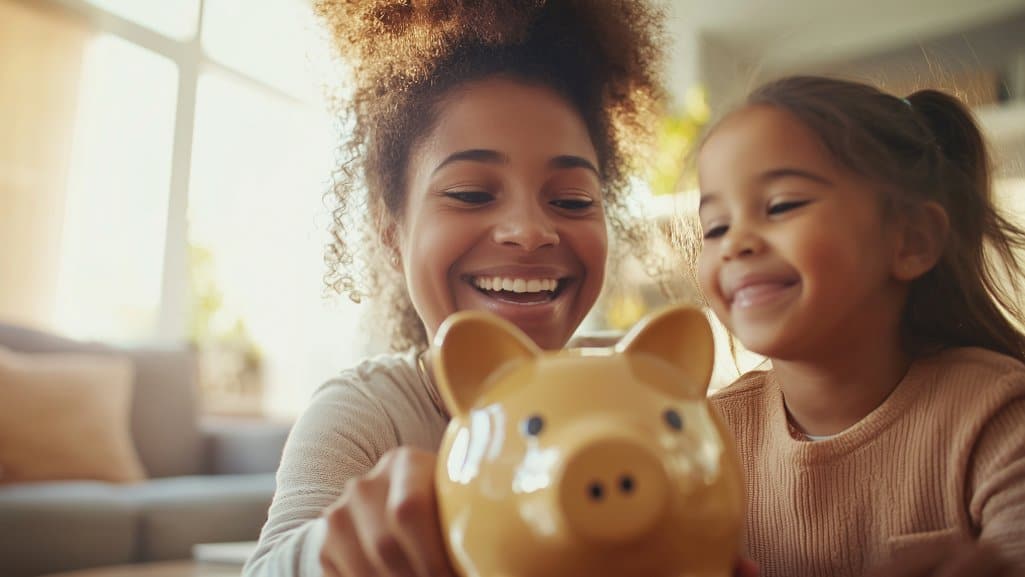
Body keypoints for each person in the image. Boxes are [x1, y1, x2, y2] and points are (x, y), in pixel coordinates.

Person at [243, 2, 670, 576]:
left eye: (571, 200)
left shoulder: (641, 395)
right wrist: (335, 547)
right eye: (470, 193)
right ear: (391, 232)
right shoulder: (367, 415)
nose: (530, 231)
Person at [695, 75, 1025, 577]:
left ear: (911, 241)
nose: (734, 243)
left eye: (782, 206)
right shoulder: (702, 440)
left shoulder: (998, 421)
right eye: (715, 226)